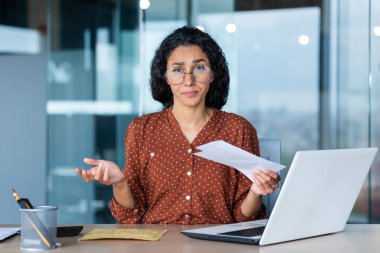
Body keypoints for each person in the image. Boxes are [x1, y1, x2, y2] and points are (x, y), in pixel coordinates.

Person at [75, 26, 280, 224]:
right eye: (177, 70)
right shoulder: (141, 130)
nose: (188, 80)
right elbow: (130, 216)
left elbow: (244, 218)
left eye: (199, 68)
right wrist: (119, 182)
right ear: (165, 76)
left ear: (213, 74)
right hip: (155, 245)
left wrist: (256, 191)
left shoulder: (238, 129)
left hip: (217, 245)